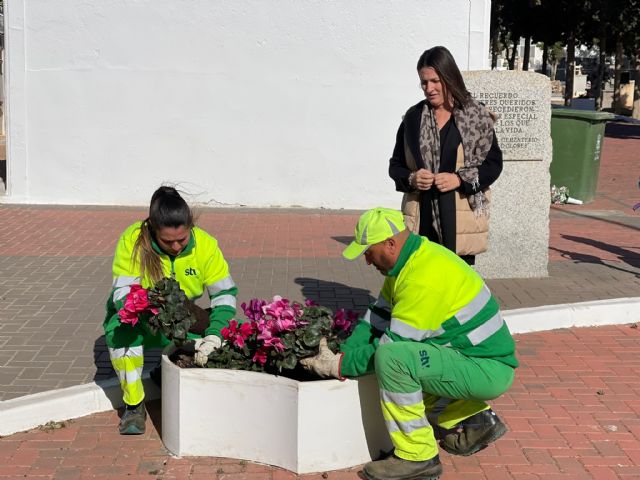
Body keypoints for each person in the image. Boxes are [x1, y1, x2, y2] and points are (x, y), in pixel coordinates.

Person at [301, 207, 518, 480]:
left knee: (395, 362)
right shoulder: (408, 262)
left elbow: (389, 348)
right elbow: (376, 319)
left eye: (368, 251)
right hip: (467, 360)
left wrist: (339, 366)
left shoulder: (423, 279)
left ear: (390, 244)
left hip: (487, 369)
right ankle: (477, 421)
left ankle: (418, 457)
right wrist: (343, 353)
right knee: (406, 365)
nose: (367, 261)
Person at [103, 186, 237, 435]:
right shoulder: (132, 240)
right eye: (167, 241)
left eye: (182, 240)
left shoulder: (206, 245)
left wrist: (216, 333)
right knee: (121, 337)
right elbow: (122, 293)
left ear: (190, 227)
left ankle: (161, 374)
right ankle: (134, 406)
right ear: (153, 229)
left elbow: (224, 295)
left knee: (220, 340)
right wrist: (150, 307)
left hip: (182, 317)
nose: (176, 247)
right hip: (142, 318)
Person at [388, 46, 503, 265]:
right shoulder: (412, 118)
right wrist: (412, 179)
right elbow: (396, 166)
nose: (429, 88)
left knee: (456, 291)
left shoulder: (476, 116)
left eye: (435, 81)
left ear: (448, 78)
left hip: (460, 222)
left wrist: (459, 179)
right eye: (424, 82)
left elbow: (494, 164)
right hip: (421, 221)